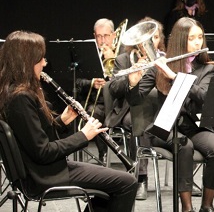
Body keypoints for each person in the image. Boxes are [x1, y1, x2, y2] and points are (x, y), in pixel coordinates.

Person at [0, 30, 138, 212]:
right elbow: (43, 151)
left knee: (113, 184)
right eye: (40, 58)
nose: (44, 63)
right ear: (26, 61)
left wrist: (62, 121)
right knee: (127, 183)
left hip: (44, 170)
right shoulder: (20, 98)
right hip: (44, 176)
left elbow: (33, 137)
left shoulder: (11, 92)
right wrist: (83, 135)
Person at [110, 17, 214, 212]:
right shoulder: (162, 66)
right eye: (192, 38)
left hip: (193, 127)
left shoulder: (208, 68)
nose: (198, 43)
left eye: (200, 38)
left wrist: (175, 78)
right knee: (184, 146)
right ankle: (186, 208)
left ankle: (207, 205)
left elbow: (203, 96)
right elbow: (136, 99)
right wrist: (132, 81)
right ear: (181, 40)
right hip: (164, 128)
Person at [105, 16, 167, 200]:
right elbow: (114, 89)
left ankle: (186, 178)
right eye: (146, 39)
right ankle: (141, 177)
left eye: (155, 37)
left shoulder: (165, 59)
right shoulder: (124, 59)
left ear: (160, 40)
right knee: (140, 119)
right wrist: (132, 76)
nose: (150, 42)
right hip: (129, 110)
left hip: (159, 111)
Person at [75, 18, 119, 162]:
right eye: (99, 36)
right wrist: (92, 83)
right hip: (97, 102)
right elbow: (77, 81)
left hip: (117, 103)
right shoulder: (88, 57)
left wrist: (112, 61)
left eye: (106, 36)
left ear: (113, 36)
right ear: (94, 36)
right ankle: (103, 154)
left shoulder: (122, 55)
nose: (102, 40)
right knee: (94, 113)